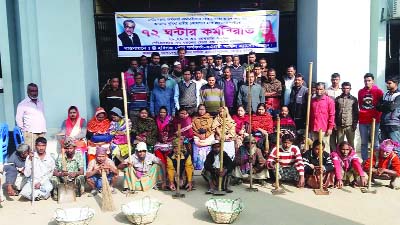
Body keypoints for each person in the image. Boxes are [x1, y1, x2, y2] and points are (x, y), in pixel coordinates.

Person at [358, 73, 384, 160]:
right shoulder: (360, 92)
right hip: (363, 121)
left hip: (375, 121)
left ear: (373, 81)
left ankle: (376, 161)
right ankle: (365, 161)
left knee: (375, 143)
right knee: (364, 142)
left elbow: (381, 106)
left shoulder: (379, 92)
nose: (367, 82)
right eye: (365, 81)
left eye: (369, 81)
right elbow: (360, 105)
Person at [16, 83, 46, 149]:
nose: (34, 93)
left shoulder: (40, 102)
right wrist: (25, 131)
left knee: (41, 151)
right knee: (31, 152)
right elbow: (18, 119)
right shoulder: (22, 104)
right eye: (32, 91)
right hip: (30, 133)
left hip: (41, 132)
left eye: (36, 91)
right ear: (28, 92)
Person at [309, 82, 335, 151]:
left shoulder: (329, 101)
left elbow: (332, 115)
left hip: (324, 129)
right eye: (317, 89)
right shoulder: (312, 100)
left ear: (324, 90)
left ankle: (325, 161)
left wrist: (330, 128)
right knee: (315, 146)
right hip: (314, 128)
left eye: (321, 89)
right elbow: (310, 114)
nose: (319, 91)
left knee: (325, 147)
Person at [335, 82, 359, 149]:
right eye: (344, 88)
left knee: (351, 144)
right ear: (341, 89)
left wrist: (355, 124)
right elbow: (335, 111)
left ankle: (352, 158)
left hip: (350, 125)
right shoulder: (338, 99)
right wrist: (335, 123)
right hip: (340, 125)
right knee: (339, 144)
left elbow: (356, 112)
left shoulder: (353, 99)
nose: (346, 90)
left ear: (350, 89)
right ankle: (339, 158)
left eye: (347, 88)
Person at [377, 77, 400, 143]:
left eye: (389, 83)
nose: (387, 85)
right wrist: (388, 104)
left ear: (396, 84)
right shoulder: (385, 95)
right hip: (383, 124)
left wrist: (384, 104)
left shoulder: (398, 95)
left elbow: (391, 107)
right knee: (384, 147)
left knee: (396, 148)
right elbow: (378, 107)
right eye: (387, 83)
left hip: (394, 125)